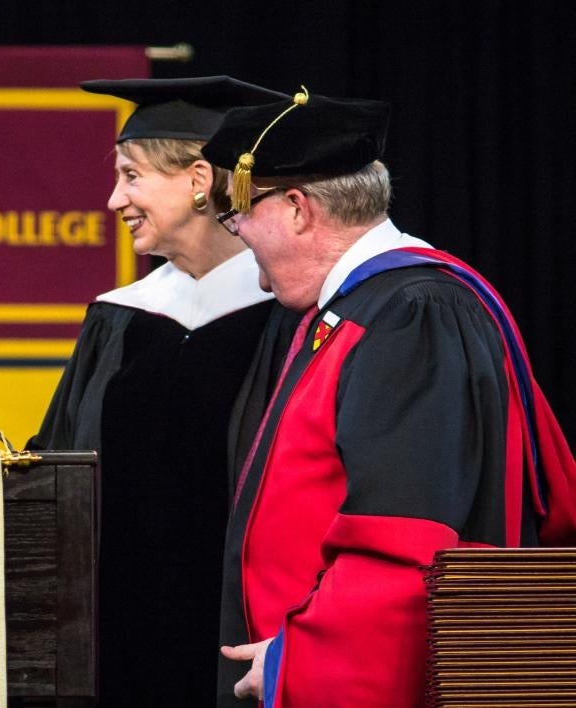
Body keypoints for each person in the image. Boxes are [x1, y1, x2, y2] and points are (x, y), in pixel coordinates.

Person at [200, 87, 575, 706]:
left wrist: (305, 657)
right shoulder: (362, 310)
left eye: (237, 214)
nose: (236, 234)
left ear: (297, 208)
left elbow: (406, 539)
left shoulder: (412, 315)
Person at [28, 76, 298, 705]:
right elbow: (56, 468)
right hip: (115, 639)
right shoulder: (119, 317)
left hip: (240, 638)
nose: (113, 198)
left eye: (131, 175)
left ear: (200, 181)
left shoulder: (284, 314)